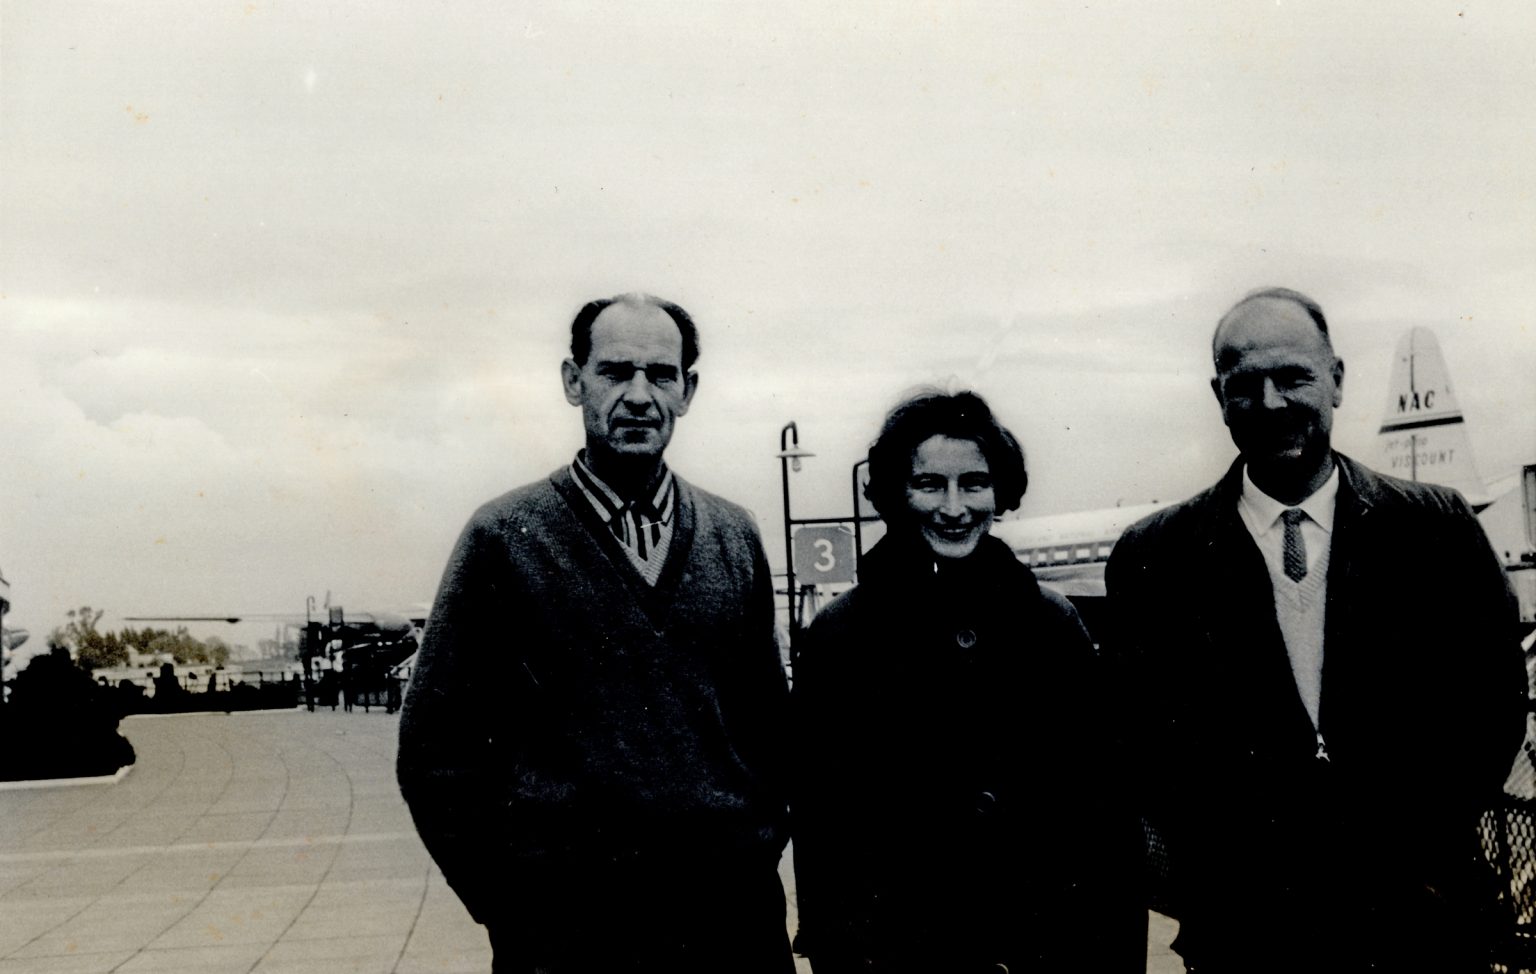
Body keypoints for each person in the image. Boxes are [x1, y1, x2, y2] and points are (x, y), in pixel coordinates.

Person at [1106, 287, 1527, 973]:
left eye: (1293, 377)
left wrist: (1412, 850)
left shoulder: (1437, 529)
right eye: (1245, 385)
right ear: (1218, 397)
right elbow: (1144, 747)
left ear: (1336, 379)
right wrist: (1222, 875)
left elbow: (1493, 708)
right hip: (1249, 936)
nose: (1271, 403)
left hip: (1425, 923)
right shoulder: (1154, 556)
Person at [397, 293, 793, 974]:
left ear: (688, 391)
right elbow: (436, 748)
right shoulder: (504, 537)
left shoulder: (734, 534)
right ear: (573, 380)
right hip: (569, 934)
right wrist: (510, 903)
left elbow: (769, 726)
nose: (639, 395)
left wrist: (756, 845)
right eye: (614, 372)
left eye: (661, 374)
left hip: (731, 923)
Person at [791, 389, 1147, 973]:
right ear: (896, 492)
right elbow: (823, 834)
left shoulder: (1053, 624)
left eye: (975, 484)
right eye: (929, 484)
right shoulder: (839, 637)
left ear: (999, 491)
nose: (954, 508)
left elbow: (1105, 821)